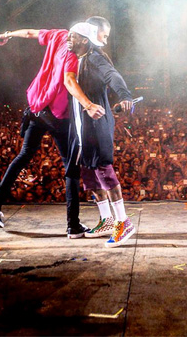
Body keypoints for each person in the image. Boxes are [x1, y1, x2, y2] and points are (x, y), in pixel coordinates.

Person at [0, 25, 105, 239]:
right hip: (56, 117)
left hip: (36, 108)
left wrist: (7, 34)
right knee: (71, 168)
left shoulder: (58, 35)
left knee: (24, 156)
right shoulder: (72, 56)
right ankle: (73, 226)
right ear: (84, 41)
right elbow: (69, 81)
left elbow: (30, 33)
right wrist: (88, 105)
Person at [66, 22, 135, 248]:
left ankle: (123, 222)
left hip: (97, 122)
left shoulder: (95, 56)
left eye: (73, 36)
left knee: (103, 169)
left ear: (84, 40)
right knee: (88, 172)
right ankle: (106, 220)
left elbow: (112, 75)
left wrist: (124, 95)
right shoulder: (79, 58)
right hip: (83, 123)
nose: (69, 38)